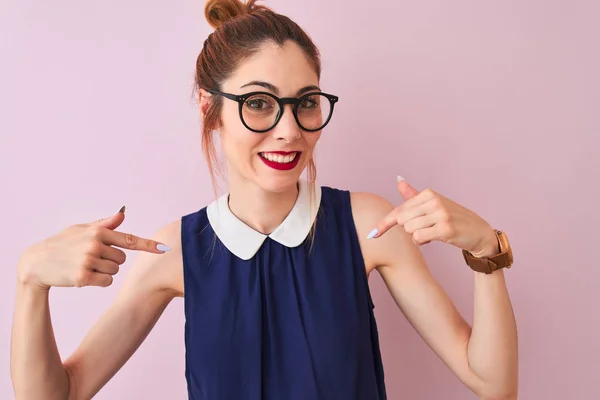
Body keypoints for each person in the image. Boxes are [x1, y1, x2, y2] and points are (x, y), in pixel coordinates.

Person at [10, 0, 518, 399]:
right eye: (258, 103)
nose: (288, 130)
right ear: (212, 110)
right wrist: (31, 281)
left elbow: (492, 383)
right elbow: (59, 394)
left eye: (306, 104)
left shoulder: (369, 226)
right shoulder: (175, 254)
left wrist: (486, 253)